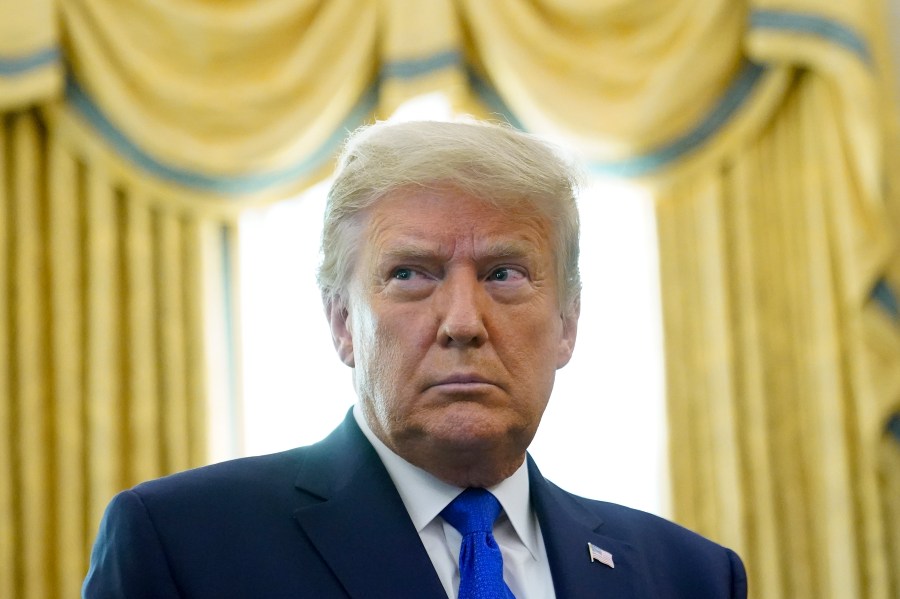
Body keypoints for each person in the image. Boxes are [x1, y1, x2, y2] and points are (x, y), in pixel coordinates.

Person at [83, 120, 747, 598]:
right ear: (342, 321)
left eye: (505, 273)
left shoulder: (689, 576)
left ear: (568, 322)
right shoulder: (184, 545)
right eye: (410, 273)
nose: (462, 322)